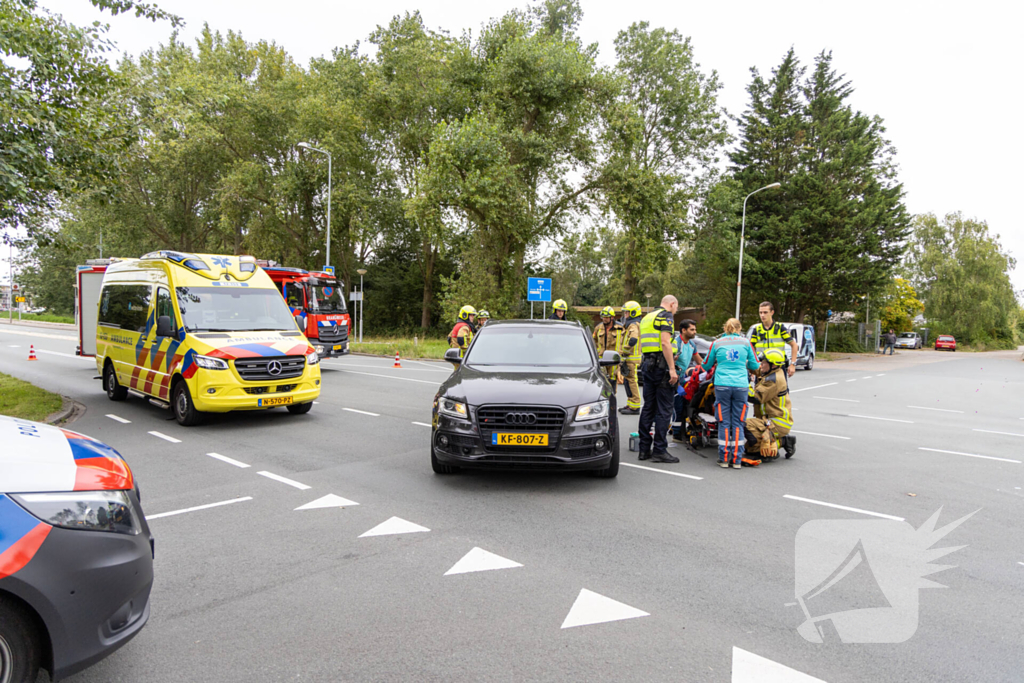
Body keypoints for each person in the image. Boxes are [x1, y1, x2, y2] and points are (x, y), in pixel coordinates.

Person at [702, 317, 760, 469]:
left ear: (725, 328)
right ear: (740, 329)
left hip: (722, 386)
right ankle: (737, 460)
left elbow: (706, 365)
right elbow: (755, 364)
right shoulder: (746, 343)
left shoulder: (717, 343)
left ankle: (724, 458)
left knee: (724, 421)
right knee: (738, 422)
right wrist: (744, 363)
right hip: (741, 386)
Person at [636, 295, 681, 463]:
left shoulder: (647, 317)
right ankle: (660, 450)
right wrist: (671, 369)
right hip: (661, 368)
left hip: (647, 366)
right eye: (676, 307)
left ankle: (643, 449)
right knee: (664, 410)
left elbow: (647, 343)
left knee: (648, 407)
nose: (675, 311)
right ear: (672, 304)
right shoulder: (665, 316)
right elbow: (665, 343)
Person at [741, 348, 796, 466]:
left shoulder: (774, 380)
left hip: (777, 422)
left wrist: (743, 383)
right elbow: (757, 369)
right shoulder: (771, 371)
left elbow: (755, 397)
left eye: (764, 362)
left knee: (743, 424)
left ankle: (781, 442)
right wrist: (740, 363)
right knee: (749, 449)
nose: (762, 364)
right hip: (768, 419)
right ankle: (782, 441)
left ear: (773, 365)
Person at [672, 319, 703, 442]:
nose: (695, 332)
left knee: (686, 405)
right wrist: (676, 383)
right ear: (683, 330)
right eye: (692, 329)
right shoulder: (676, 343)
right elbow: (671, 363)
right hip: (674, 378)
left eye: (695, 329)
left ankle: (682, 430)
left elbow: (700, 361)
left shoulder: (691, 344)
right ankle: (676, 434)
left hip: (683, 379)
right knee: (677, 407)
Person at [750, 301, 798, 378]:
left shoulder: (779, 327)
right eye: (760, 312)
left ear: (772, 312)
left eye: (765, 312)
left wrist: (792, 364)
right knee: (760, 389)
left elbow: (794, 345)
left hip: (778, 367)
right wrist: (752, 368)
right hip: (762, 367)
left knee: (781, 390)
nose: (762, 315)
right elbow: (751, 349)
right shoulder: (757, 329)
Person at [618, 300, 643, 415]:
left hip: (631, 358)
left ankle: (635, 406)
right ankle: (630, 404)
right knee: (628, 382)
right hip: (630, 358)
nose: (625, 315)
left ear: (633, 313)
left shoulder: (633, 325)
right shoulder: (633, 323)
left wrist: (625, 351)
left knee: (632, 381)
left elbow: (633, 339)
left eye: (627, 313)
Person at [592, 306, 623, 385]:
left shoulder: (620, 328)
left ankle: (612, 396)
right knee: (601, 380)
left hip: (614, 359)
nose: (604, 319)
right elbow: (593, 341)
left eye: (606, 317)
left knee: (612, 380)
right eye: (603, 317)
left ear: (612, 317)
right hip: (601, 359)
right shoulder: (598, 328)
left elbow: (623, 343)